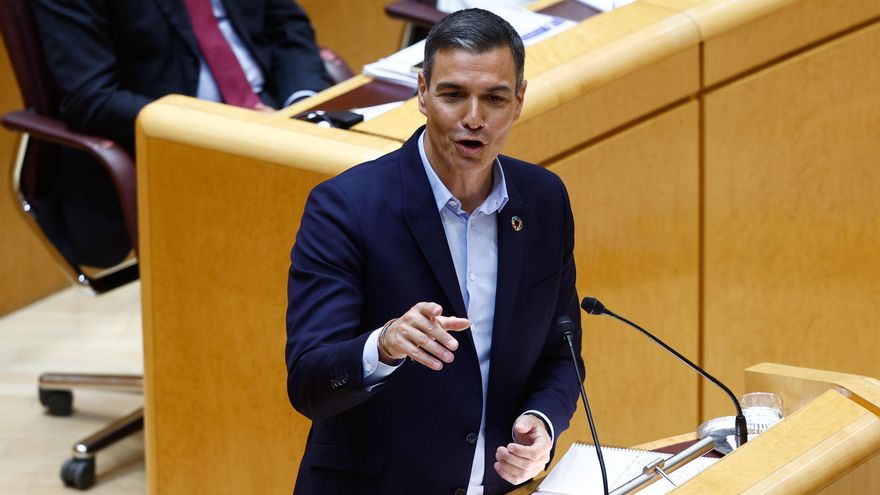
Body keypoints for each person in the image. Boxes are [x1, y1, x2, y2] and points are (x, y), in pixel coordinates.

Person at [285, 8, 583, 495]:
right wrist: (383, 345)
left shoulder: (544, 200)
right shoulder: (346, 208)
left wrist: (541, 423)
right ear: (422, 92)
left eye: (494, 98)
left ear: (519, 100)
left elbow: (563, 351)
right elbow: (309, 381)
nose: (473, 119)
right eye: (453, 95)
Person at [31, 0, 333, 266]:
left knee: (361, 183)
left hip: (276, 112)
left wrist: (302, 104)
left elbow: (287, 26)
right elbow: (92, 97)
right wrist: (227, 128)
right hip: (179, 141)